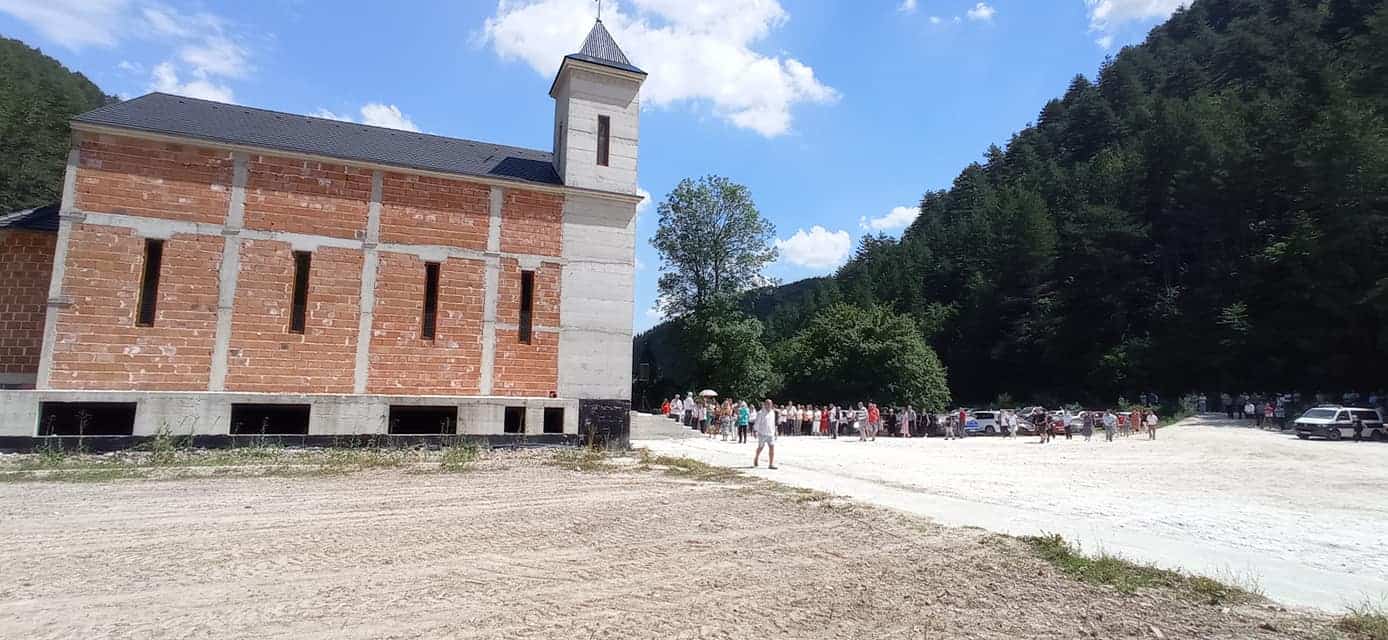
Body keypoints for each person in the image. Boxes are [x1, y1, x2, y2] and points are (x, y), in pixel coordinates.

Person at [753, 399, 777, 469]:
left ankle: (771, 464)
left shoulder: (772, 412)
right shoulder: (760, 413)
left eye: (770, 404)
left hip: (770, 433)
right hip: (762, 433)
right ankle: (756, 457)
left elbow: (773, 423)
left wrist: (775, 432)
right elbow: (757, 422)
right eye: (767, 404)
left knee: (772, 447)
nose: (769, 405)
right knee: (760, 447)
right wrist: (755, 431)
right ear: (765, 404)